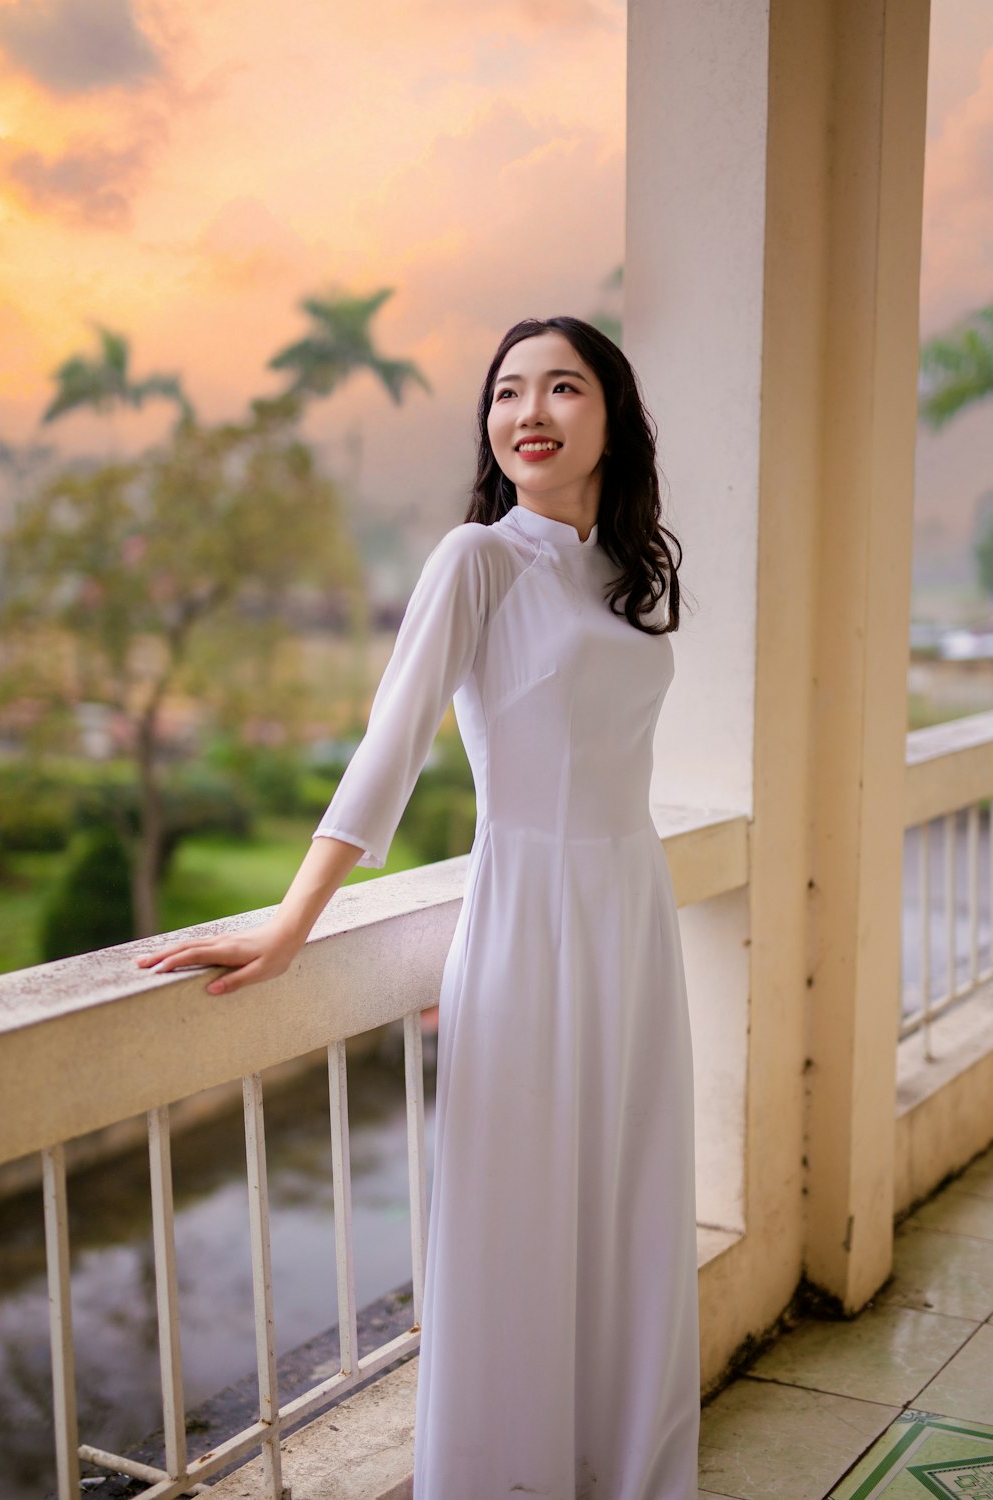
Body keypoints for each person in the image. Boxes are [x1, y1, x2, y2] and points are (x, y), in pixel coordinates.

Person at [138, 315, 700, 1498]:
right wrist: (294, 917)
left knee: (629, 1213)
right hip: (528, 918)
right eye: (508, 392)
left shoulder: (629, 571)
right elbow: (390, 745)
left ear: (614, 419)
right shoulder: (477, 560)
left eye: (564, 387)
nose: (531, 411)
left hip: (631, 916)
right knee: (520, 1229)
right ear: (490, 427)